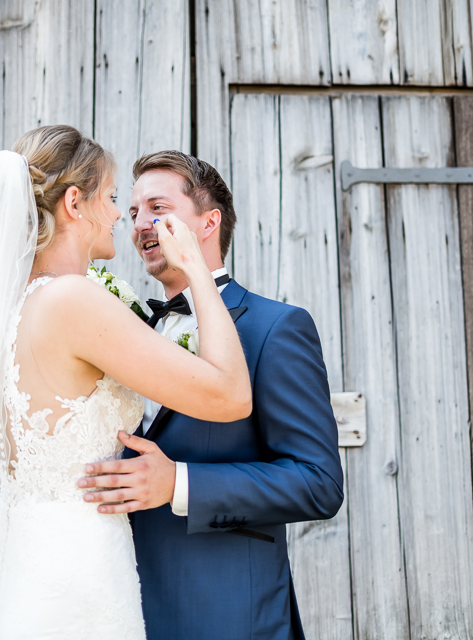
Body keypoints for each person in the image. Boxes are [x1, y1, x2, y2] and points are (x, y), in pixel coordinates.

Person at [0, 126, 251, 640]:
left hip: (27, 557)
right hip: (78, 569)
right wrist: (198, 270)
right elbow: (230, 395)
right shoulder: (73, 300)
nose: (122, 216)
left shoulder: (16, 305)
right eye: (114, 199)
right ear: (75, 202)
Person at [79, 151, 345, 639]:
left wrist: (179, 483)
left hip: (227, 613)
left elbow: (318, 483)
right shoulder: (120, 328)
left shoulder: (275, 329)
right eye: (133, 212)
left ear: (209, 221)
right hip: (118, 604)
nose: (139, 224)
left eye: (157, 208)